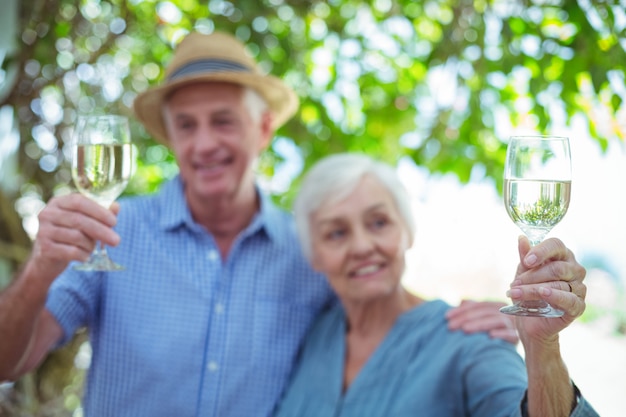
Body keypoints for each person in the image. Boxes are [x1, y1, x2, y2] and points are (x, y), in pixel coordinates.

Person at [0, 31, 516, 416]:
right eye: (187, 126)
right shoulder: (114, 232)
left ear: (263, 126)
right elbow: (7, 363)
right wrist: (41, 269)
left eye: (223, 120)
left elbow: (378, 305)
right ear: (170, 139)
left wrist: (473, 321)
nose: (205, 144)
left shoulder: (308, 248)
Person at [273, 152, 599, 417]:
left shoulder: (467, 339)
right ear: (314, 256)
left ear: (407, 232)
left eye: (378, 223)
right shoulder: (314, 333)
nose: (361, 246)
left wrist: (542, 350)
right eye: (336, 233)